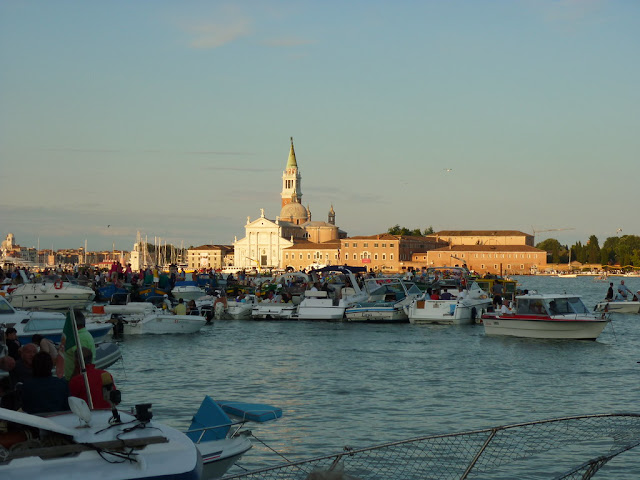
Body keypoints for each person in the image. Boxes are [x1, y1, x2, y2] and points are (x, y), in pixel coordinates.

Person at [63, 311, 96, 381]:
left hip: (76, 379)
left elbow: (80, 363)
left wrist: (73, 380)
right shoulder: (84, 335)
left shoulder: (79, 338)